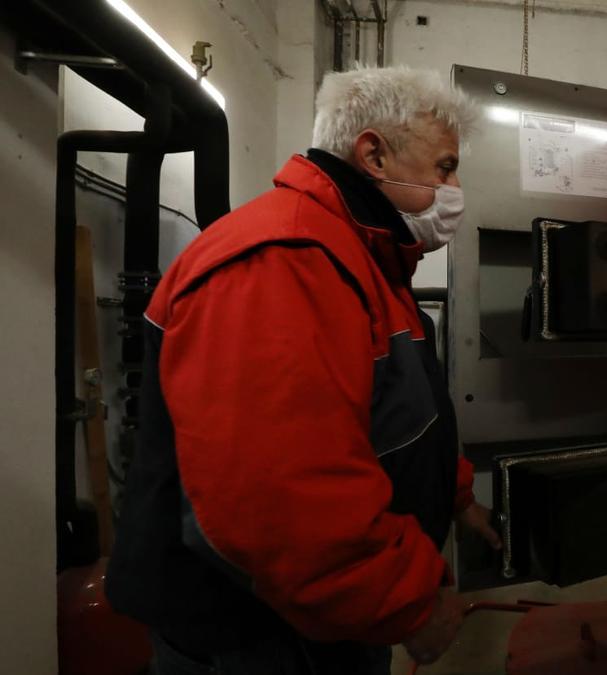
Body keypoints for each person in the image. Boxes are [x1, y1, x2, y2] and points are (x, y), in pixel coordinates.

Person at [106, 65, 501, 674]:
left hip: (325, 621)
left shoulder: (366, 259)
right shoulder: (285, 259)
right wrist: (411, 605)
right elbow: (282, 507)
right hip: (257, 636)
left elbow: (401, 412)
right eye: (444, 167)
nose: (453, 190)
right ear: (372, 154)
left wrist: (457, 496)